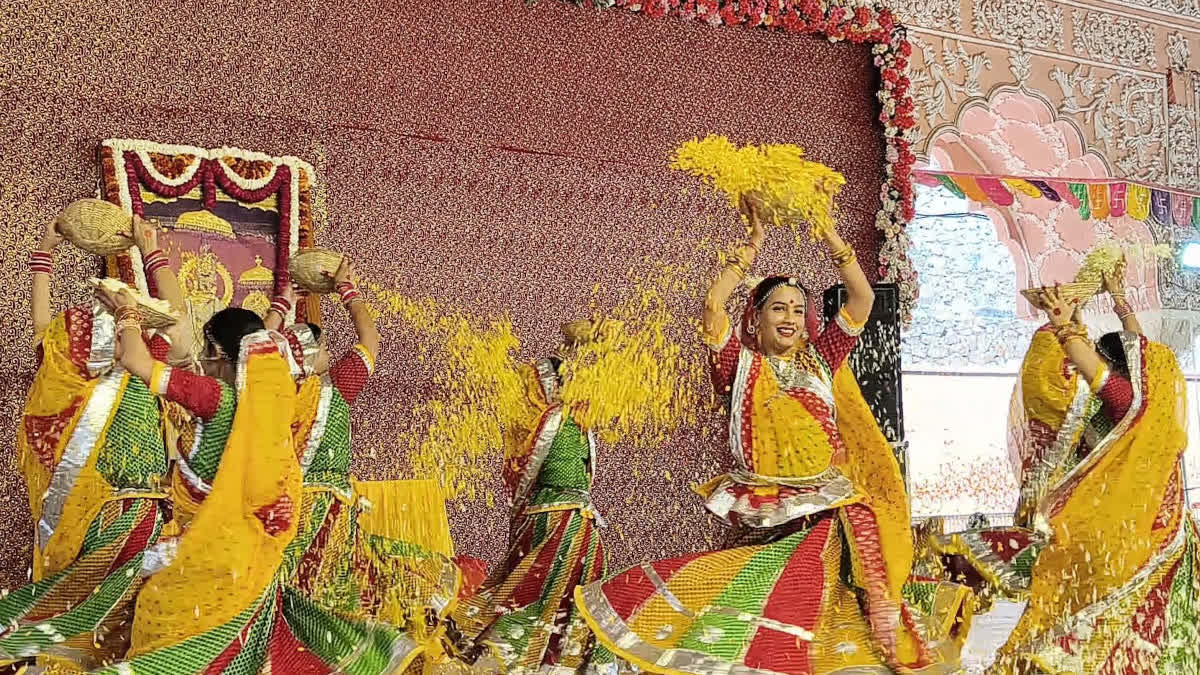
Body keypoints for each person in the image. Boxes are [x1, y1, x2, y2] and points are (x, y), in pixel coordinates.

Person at [575, 195, 968, 674]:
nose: (790, 317)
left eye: (799, 310)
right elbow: (712, 304)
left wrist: (828, 232)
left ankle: (888, 636)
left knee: (857, 538)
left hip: (828, 505)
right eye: (778, 308)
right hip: (767, 511)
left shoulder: (821, 361)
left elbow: (862, 298)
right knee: (753, 602)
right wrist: (751, 246)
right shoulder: (738, 366)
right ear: (756, 320)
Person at [93, 280, 409, 673]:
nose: (202, 360)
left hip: (205, 555)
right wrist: (325, 294)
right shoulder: (275, 405)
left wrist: (128, 312)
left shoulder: (215, 397)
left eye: (207, 353)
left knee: (154, 625)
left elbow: (138, 362)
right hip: (248, 559)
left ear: (218, 354)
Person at [0, 215, 188, 671]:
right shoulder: (144, 350)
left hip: (97, 508)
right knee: (117, 615)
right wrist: (152, 251)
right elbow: (181, 326)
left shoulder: (75, 342)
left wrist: (43, 256)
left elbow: (41, 323)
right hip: (129, 508)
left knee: (88, 607)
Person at [983, 280, 1200, 673]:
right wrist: (1119, 298)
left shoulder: (1123, 402)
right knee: (1148, 633)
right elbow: (1138, 343)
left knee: (1081, 627)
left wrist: (1065, 325)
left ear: (1119, 369)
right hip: (1166, 538)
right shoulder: (1156, 407)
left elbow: (1093, 368)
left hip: (1110, 544)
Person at [263, 261, 462, 670]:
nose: (331, 353)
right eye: (323, 348)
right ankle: (362, 658)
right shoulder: (334, 390)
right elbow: (370, 338)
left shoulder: (268, 395)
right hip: (327, 515)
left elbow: (254, 346)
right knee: (334, 598)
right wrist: (347, 290)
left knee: (286, 596)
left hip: (281, 513)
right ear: (310, 356)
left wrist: (282, 304)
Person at [448, 318, 618, 675]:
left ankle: (563, 661)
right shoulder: (548, 414)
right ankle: (502, 653)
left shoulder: (575, 415)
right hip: (557, 521)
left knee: (561, 591)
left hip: (573, 518)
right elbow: (525, 467)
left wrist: (593, 344)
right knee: (535, 589)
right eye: (567, 375)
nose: (577, 378)